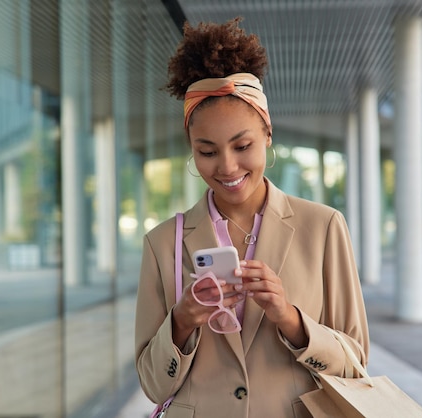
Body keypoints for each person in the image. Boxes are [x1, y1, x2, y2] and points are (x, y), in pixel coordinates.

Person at [135, 18, 369, 418]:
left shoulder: (324, 227)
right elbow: (153, 385)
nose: (227, 167)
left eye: (242, 145)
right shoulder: (162, 243)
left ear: (267, 135)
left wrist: (290, 319)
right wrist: (183, 320)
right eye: (207, 151)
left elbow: (356, 364)